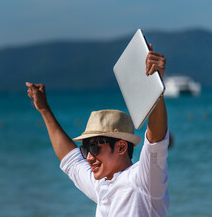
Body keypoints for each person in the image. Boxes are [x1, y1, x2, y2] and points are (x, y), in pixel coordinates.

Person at [26, 45, 169, 216]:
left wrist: (154, 87)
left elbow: (155, 144)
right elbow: (70, 159)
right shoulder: (101, 185)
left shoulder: (142, 180)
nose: (88, 157)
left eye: (94, 148)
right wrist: (44, 109)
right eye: (85, 149)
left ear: (121, 147)